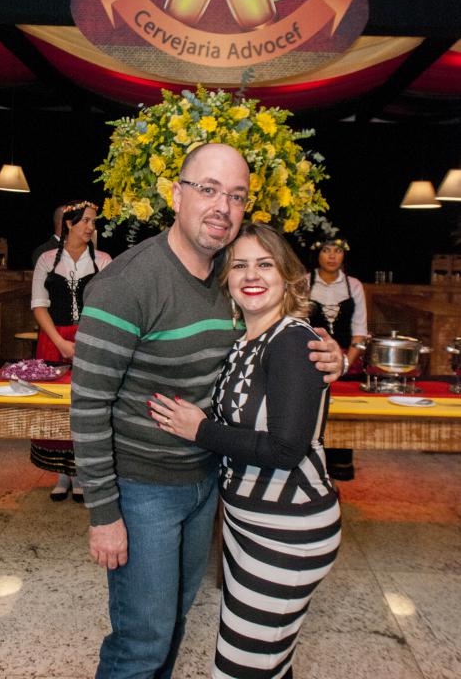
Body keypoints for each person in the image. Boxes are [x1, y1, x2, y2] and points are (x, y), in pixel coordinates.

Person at [70, 143, 343, 679]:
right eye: (209, 189)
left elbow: (273, 339)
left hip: (207, 483)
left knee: (173, 623)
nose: (223, 206)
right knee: (141, 641)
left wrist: (329, 353)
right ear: (176, 194)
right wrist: (104, 515)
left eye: (236, 195)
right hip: (145, 488)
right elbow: (89, 403)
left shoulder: (231, 276)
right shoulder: (128, 283)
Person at [149, 222, 341, 679]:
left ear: (288, 277)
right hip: (249, 523)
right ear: (227, 279)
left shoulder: (292, 340)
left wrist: (200, 431)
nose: (251, 275)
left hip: (287, 530)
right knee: (267, 661)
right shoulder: (245, 342)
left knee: (241, 667)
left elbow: (285, 449)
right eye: (239, 266)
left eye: (264, 264)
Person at [31, 199, 111, 501]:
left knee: (86, 405)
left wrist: (88, 340)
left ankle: (80, 474)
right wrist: (60, 341)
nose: (91, 227)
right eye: (86, 221)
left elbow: (108, 306)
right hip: (53, 338)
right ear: (69, 224)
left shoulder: (103, 260)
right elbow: (39, 305)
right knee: (56, 403)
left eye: (93, 222)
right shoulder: (46, 260)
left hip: (90, 338)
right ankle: (61, 474)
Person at [308, 234, 368, 481]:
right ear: (317, 254)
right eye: (326, 250)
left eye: (337, 250)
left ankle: (339, 472)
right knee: (313, 419)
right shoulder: (303, 283)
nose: (332, 256)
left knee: (345, 419)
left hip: (348, 365)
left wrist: (344, 364)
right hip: (311, 361)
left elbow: (360, 330)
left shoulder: (354, 285)